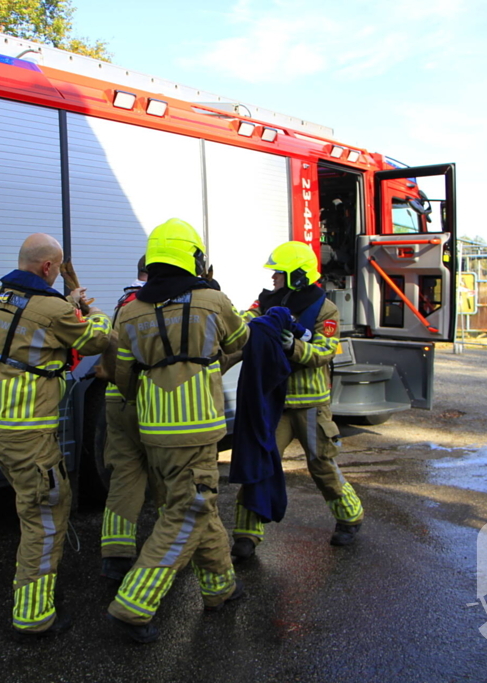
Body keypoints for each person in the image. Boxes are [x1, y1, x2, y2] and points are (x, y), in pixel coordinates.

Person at [106, 218, 249, 644]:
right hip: (198, 427)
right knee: (188, 509)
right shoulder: (213, 300)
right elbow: (241, 336)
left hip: (152, 428)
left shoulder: (129, 312)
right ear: (193, 258)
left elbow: (123, 376)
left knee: (195, 501)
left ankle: (220, 587)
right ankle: (134, 604)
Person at [0, 233, 111, 639]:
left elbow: (27, 332)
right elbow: (98, 339)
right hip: (29, 432)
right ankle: (34, 616)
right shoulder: (54, 309)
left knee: (30, 504)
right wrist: (89, 309)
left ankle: (35, 596)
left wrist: (65, 308)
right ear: (49, 268)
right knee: (46, 517)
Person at [230, 240, 364, 562]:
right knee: (259, 465)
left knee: (321, 465)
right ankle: (246, 536)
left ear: (297, 276)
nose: (273, 278)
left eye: (279, 273)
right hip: (274, 405)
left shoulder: (325, 309)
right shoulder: (264, 303)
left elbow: (323, 352)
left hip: (310, 406)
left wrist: (293, 348)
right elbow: (242, 323)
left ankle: (350, 516)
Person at [97, 256, 159, 581]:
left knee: (124, 476)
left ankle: (116, 557)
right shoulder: (155, 302)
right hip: (144, 401)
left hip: (114, 401)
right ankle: (168, 555)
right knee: (165, 478)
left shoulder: (125, 300)